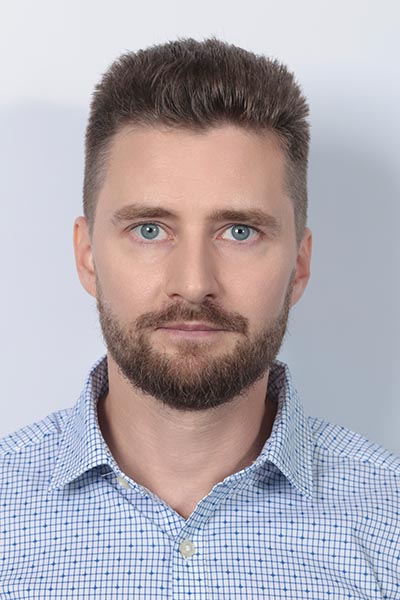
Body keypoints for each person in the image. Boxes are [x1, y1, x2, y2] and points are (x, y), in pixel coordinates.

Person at [1, 37, 399, 599]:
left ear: (300, 265)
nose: (193, 283)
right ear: (87, 257)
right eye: (149, 230)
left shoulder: (389, 524)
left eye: (239, 231)